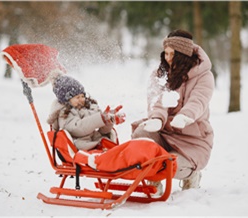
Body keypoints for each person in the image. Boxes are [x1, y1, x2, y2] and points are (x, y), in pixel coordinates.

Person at [131, 29, 215, 192]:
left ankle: (192, 174)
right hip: (165, 132)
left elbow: (198, 100)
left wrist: (185, 116)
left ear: (183, 55)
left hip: (192, 139)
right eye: (166, 54)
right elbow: (157, 99)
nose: (167, 58)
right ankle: (152, 180)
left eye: (172, 54)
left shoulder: (204, 76)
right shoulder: (159, 74)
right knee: (141, 135)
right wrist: (157, 118)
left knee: (170, 164)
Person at [47, 75, 125, 151]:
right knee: (112, 157)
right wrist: (101, 118)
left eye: (82, 96)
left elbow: (103, 131)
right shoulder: (65, 114)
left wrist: (109, 119)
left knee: (123, 151)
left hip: (97, 143)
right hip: (81, 147)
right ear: (66, 100)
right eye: (77, 97)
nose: (81, 100)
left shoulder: (89, 108)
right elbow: (78, 128)